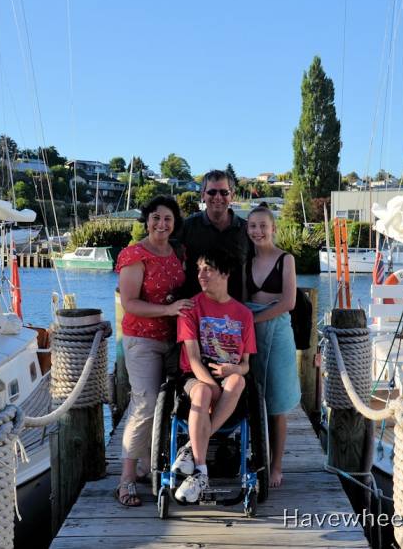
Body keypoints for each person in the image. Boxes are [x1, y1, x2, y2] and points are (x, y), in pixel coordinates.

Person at [114, 195, 193, 507]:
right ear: (146, 220)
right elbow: (129, 303)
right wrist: (169, 309)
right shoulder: (134, 255)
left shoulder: (178, 253)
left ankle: (150, 466)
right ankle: (126, 479)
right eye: (156, 218)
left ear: (175, 224)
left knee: (168, 405)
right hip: (142, 340)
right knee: (145, 403)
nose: (162, 224)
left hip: (173, 340)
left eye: (168, 219)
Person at [171, 248, 256, 503]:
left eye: (207, 268)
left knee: (238, 380)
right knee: (204, 391)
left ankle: (190, 447)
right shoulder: (190, 308)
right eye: (199, 270)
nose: (201, 274)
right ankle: (201, 471)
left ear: (225, 273)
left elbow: (246, 365)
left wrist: (234, 370)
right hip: (195, 376)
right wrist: (211, 385)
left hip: (229, 378)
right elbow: (194, 359)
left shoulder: (243, 314)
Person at [244, 205, 300, 487]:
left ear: (273, 228)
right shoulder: (246, 260)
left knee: (277, 402)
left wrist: (253, 319)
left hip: (276, 330)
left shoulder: (285, 259)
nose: (258, 231)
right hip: (251, 333)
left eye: (263, 225)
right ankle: (257, 456)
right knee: (254, 397)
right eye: (253, 225)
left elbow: (288, 302)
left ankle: (276, 466)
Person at [178, 170, 249, 300]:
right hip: (195, 311)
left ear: (232, 195)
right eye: (212, 192)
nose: (217, 197)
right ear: (203, 194)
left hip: (234, 313)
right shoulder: (187, 227)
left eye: (224, 192)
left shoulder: (247, 229)